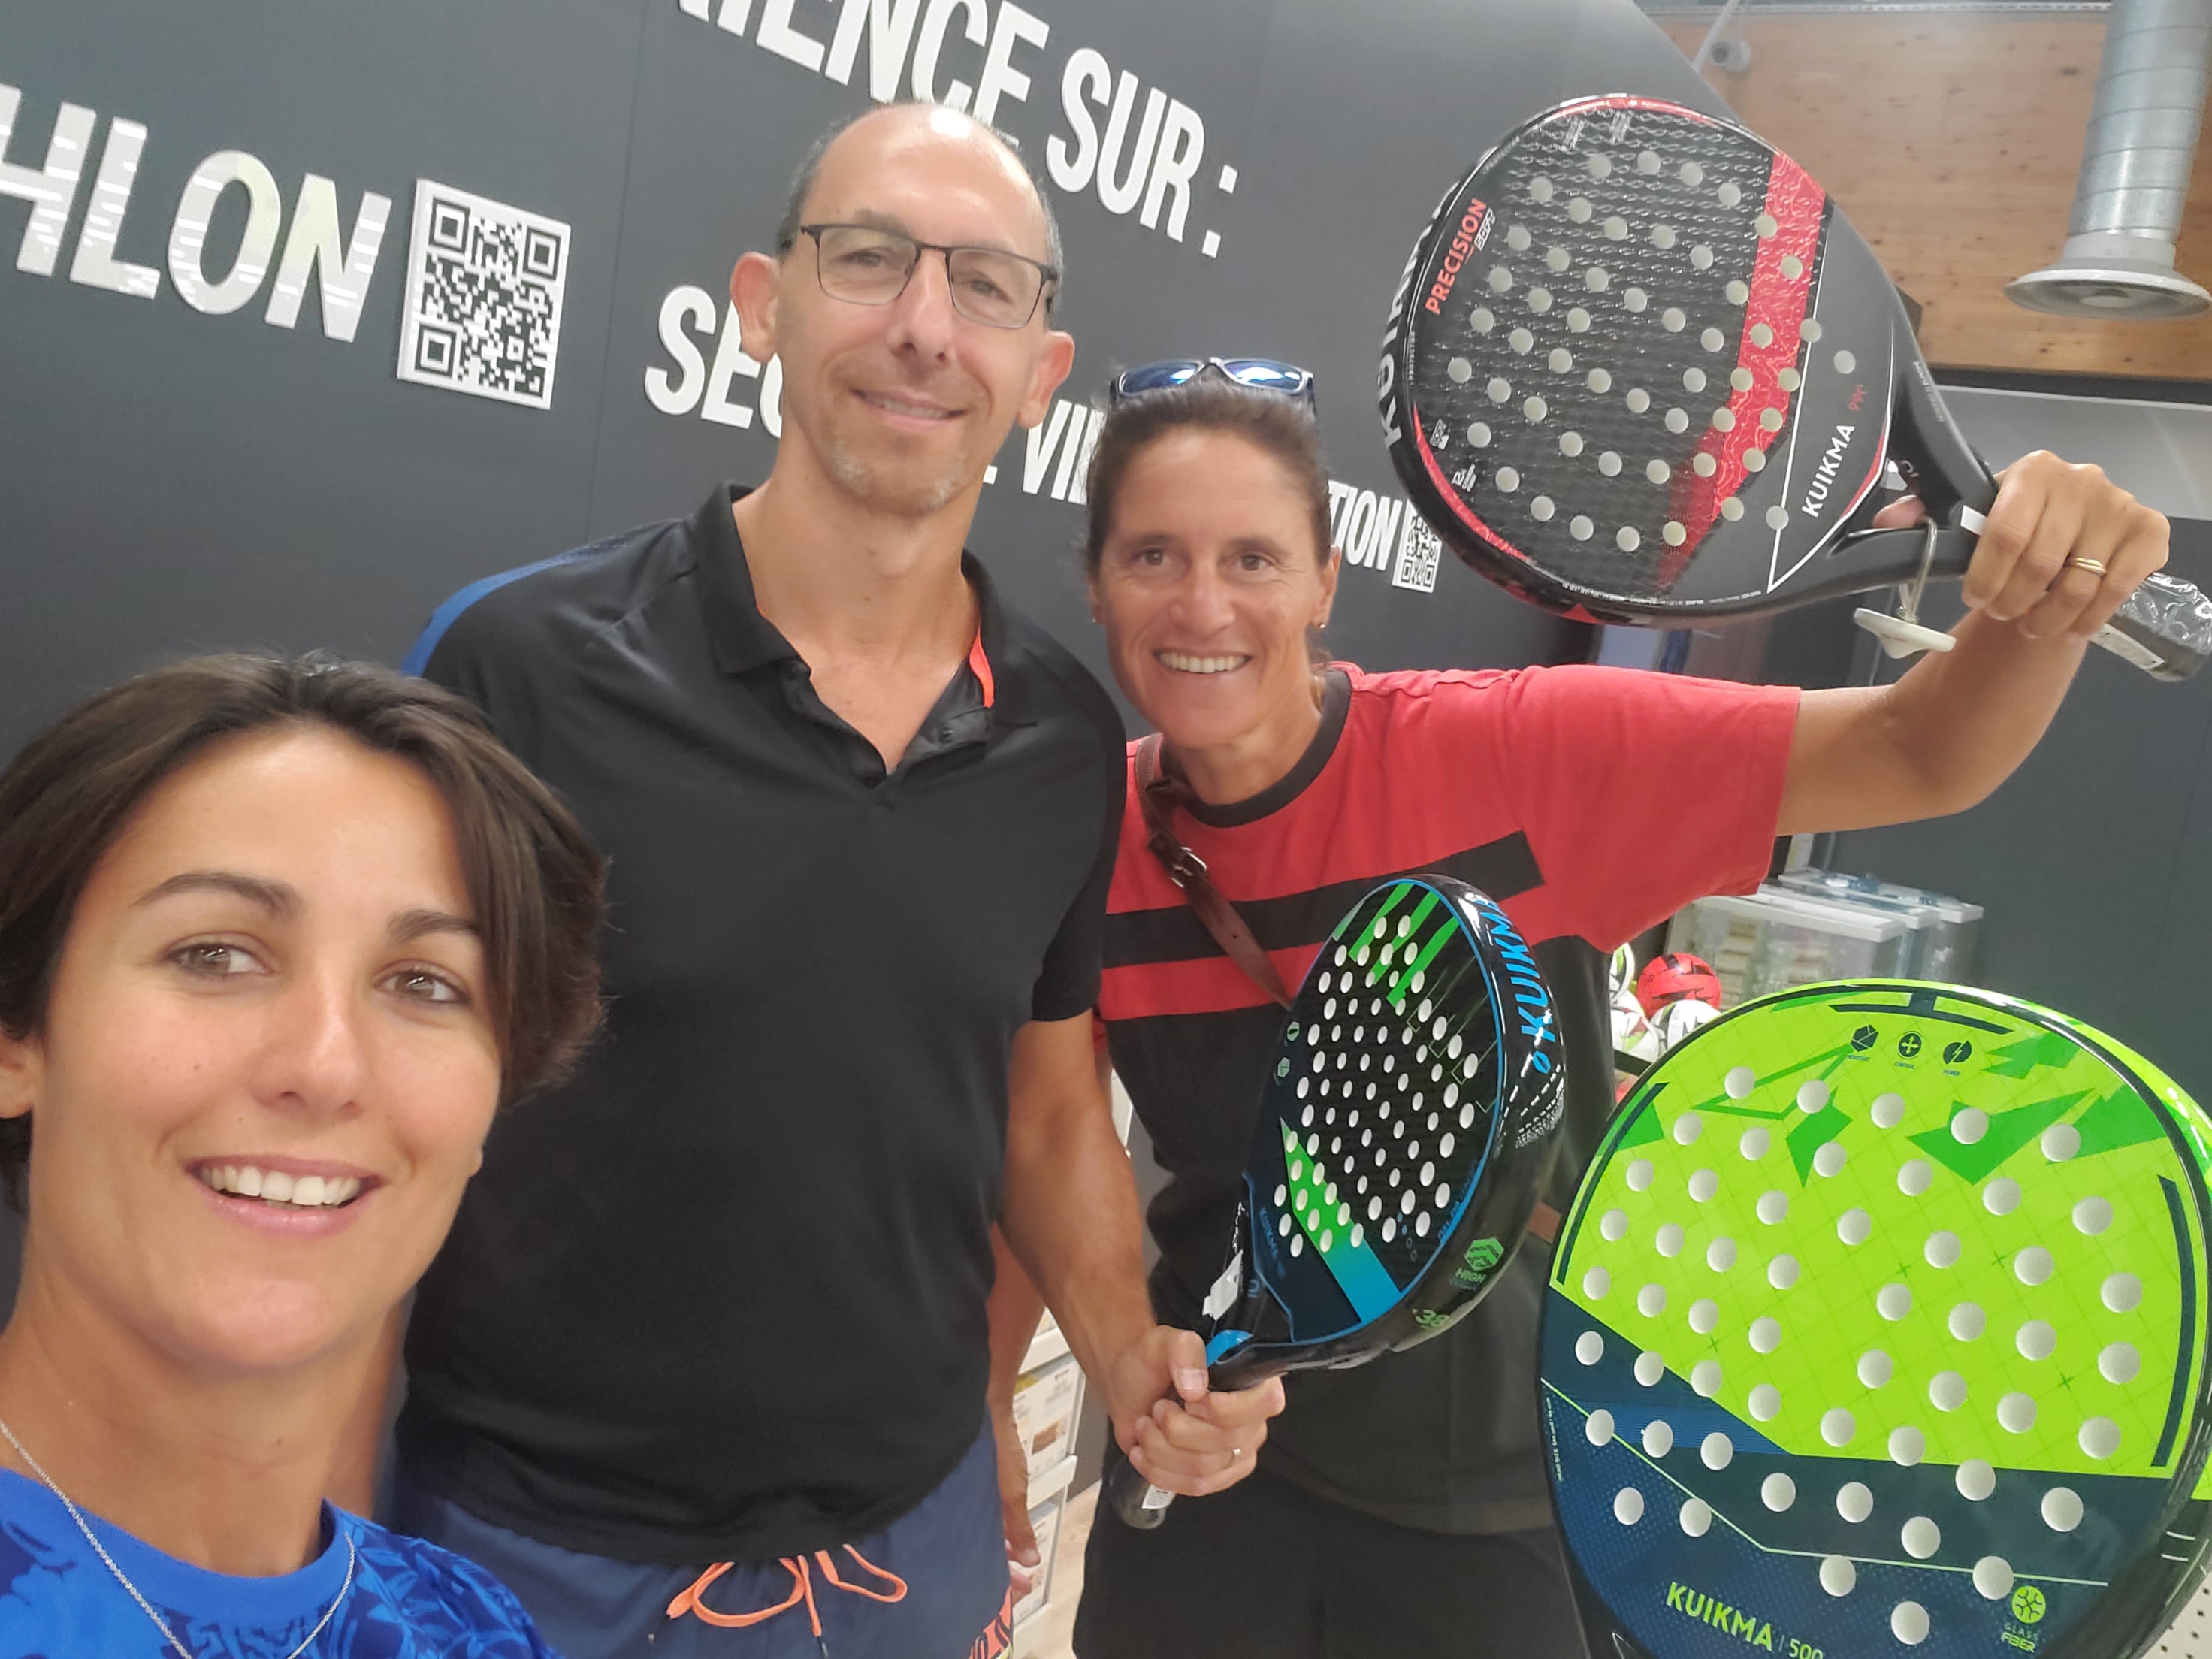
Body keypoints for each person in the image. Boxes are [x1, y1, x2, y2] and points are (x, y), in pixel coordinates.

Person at [984, 361, 2169, 1658]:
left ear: (1324, 582)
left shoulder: (1513, 757)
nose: (1203, 603)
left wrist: (2045, 598)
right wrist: (1005, 1395)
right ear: (1096, 583)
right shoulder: (1089, 837)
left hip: (1507, 1497)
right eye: (1153, 555)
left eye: (1254, 559)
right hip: (1214, 1463)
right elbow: (1049, 1137)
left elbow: (1917, 750)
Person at [389, 105, 1280, 1659]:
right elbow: (367, 1101)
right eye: (869, 259)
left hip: (898, 1554)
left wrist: (1122, 1347)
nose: (924, 327)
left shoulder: (1065, 740)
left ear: (1039, 373)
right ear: (764, 305)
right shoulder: (519, 665)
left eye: (985, 286)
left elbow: (1046, 1108)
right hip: (525, 1546)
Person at [0, 653, 605, 1657]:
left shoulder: (472, 1631)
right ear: (18, 1035)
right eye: (215, 955)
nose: (326, 1068)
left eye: (424, 983)